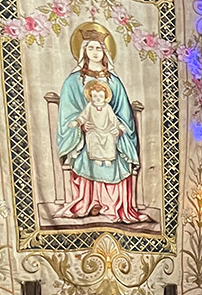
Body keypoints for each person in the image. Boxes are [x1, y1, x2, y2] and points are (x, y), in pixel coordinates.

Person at [56, 24, 142, 224]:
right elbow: (68, 113)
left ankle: (113, 205)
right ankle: (90, 201)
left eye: (99, 48)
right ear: (83, 51)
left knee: (116, 159)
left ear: (105, 52)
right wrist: (80, 126)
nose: (95, 52)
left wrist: (118, 129)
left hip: (111, 135)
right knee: (87, 155)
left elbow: (124, 112)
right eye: (90, 48)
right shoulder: (73, 81)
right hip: (87, 136)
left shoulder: (114, 82)